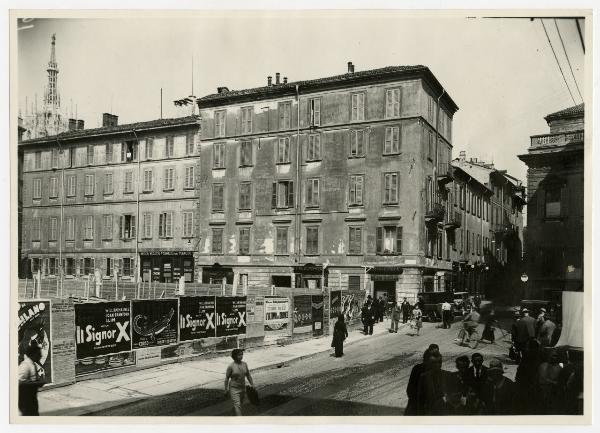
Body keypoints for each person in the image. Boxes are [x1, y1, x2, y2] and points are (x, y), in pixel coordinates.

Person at [404, 344, 439, 416]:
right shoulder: (417, 369)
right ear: (426, 358)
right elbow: (410, 389)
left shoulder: (436, 371)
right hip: (416, 405)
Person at [416, 351, 451, 415]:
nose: (437, 365)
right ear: (430, 363)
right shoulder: (424, 377)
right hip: (430, 412)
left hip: (445, 412)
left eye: (439, 362)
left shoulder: (448, 375)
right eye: (434, 363)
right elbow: (420, 399)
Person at [18, 341, 46, 416]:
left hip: (32, 400)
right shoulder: (25, 365)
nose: (40, 356)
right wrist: (37, 383)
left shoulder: (32, 364)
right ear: (34, 354)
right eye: (39, 354)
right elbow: (19, 382)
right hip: (26, 401)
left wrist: (38, 382)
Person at [224, 349, 254, 416]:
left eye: (242, 354)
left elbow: (248, 375)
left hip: (242, 388)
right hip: (234, 389)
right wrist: (226, 389)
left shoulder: (244, 364)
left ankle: (234, 415)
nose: (241, 356)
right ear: (234, 356)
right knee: (237, 405)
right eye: (239, 355)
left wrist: (252, 384)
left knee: (240, 404)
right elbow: (227, 378)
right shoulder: (231, 366)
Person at [537, 349, 563, 414]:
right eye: (553, 355)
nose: (555, 357)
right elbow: (542, 379)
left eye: (556, 356)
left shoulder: (559, 367)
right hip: (544, 391)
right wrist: (554, 383)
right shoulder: (544, 365)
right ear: (549, 356)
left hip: (554, 393)